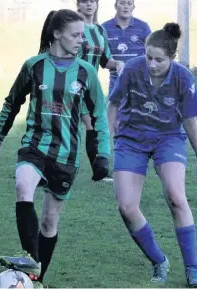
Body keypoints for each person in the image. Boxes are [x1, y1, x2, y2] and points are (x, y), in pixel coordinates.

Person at [0, 9, 110, 287]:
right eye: (75, 35)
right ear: (57, 34)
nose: (81, 41)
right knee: (22, 186)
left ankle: (37, 279)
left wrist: (102, 155)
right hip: (34, 146)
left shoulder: (86, 72)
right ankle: (29, 257)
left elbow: (99, 116)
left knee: (50, 223)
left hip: (66, 155)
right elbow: (12, 103)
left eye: (83, 35)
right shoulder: (34, 65)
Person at [107, 22, 197, 288]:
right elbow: (114, 103)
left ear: (172, 58)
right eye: (148, 57)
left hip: (168, 138)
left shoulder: (184, 78)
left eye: (159, 60)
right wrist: (108, 140)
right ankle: (159, 260)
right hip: (131, 139)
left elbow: (189, 120)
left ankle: (193, 269)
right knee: (126, 207)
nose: (151, 64)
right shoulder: (131, 69)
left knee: (176, 197)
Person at [76, 0, 124, 183]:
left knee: (92, 125)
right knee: (72, 125)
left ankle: (99, 170)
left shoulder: (100, 31)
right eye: (84, 1)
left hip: (92, 88)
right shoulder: (74, 29)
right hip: (73, 84)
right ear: (78, 5)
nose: (89, 5)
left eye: (92, 1)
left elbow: (105, 61)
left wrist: (118, 63)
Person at [101, 0, 152, 93]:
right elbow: (103, 61)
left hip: (139, 82)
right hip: (116, 83)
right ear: (115, 6)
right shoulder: (104, 28)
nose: (126, 6)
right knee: (114, 107)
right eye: (122, 3)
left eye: (129, 3)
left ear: (133, 7)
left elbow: (152, 54)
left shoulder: (143, 27)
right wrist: (117, 64)